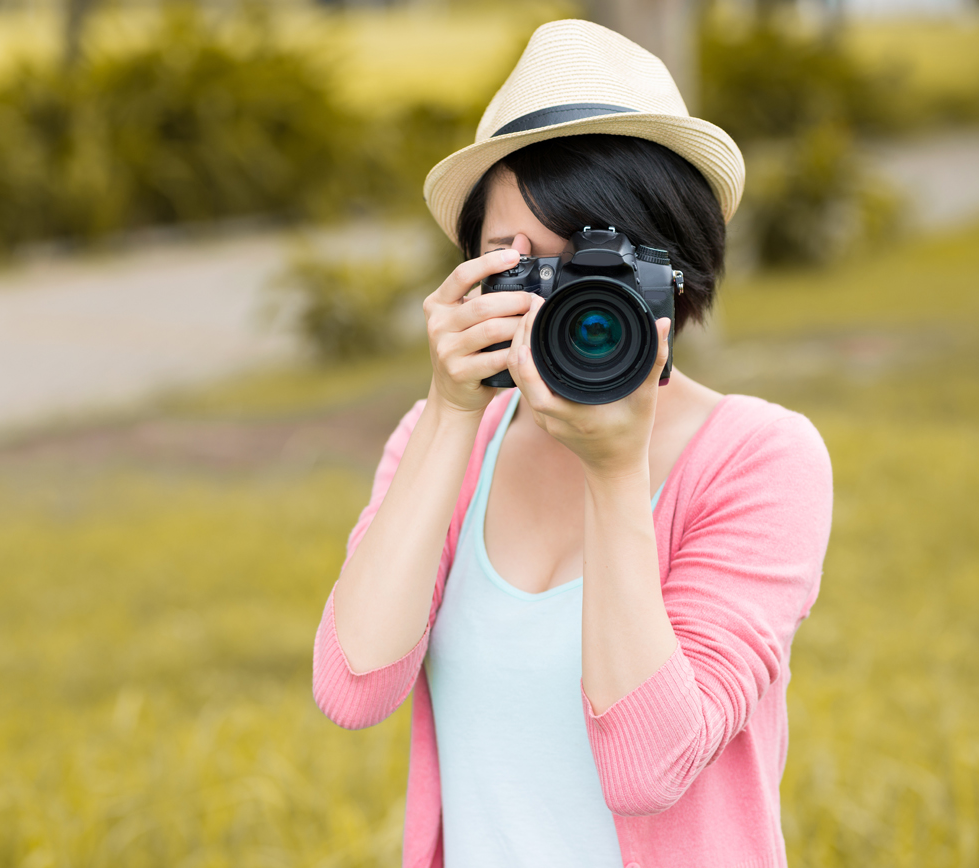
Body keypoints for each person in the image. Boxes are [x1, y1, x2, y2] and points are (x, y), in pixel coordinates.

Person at [310, 19, 834, 868]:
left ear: (678, 271)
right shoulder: (444, 445)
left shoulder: (763, 459)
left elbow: (649, 767)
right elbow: (352, 688)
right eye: (521, 267)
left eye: (598, 269)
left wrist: (617, 470)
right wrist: (450, 410)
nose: (566, 309)